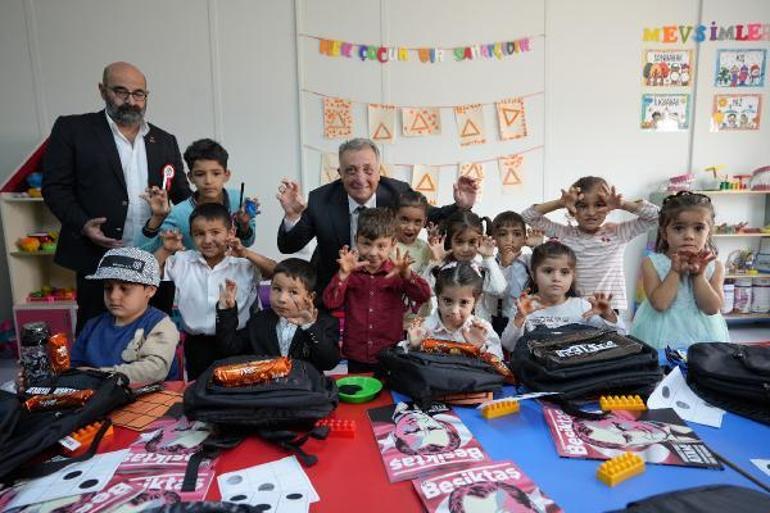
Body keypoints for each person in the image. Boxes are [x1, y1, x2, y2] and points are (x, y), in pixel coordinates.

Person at [42, 61, 190, 333]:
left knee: (156, 333)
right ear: (102, 90)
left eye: (139, 94)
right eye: (121, 92)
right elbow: (54, 187)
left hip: (154, 257)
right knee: (97, 335)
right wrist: (84, 224)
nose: (131, 101)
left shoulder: (164, 139)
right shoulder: (73, 129)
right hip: (97, 255)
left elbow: (182, 196)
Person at [276, 137, 478, 295]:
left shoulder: (396, 193)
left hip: (385, 291)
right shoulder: (321, 199)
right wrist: (293, 216)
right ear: (340, 173)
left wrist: (460, 207)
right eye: (351, 171)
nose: (360, 179)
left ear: (379, 171)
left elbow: (431, 217)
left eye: (367, 170)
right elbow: (288, 246)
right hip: (334, 290)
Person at [155, 202, 275, 379]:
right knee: (201, 394)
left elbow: (277, 272)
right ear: (191, 236)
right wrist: (165, 250)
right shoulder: (181, 261)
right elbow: (145, 274)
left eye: (215, 232)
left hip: (239, 342)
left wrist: (247, 253)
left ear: (231, 233)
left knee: (240, 395)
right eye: (199, 234)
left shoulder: (244, 262)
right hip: (198, 345)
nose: (207, 240)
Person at [521, 176, 659, 313]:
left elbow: (657, 216)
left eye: (599, 205)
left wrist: (622, 204)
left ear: (608, 207)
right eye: (582, 206)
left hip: (608, 307)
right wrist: (560, 202)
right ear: (572, 209)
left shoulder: (617, 233)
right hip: (573, 306)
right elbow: (528, 216)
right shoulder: (565, 234)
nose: (591, 212)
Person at [322, 208, 431, 373]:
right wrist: (342, 275)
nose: (373, 253)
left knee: (390, 396)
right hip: (356, 354)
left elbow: (423, 295)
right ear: (356, 240)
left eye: (381, 246)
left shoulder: (398, 272)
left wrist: (407, 274)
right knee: (358, 394)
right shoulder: (349, 273)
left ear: (393, 244)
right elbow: (330, 303)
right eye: (366, 243)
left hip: (389, 352)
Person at [630, 192, 728, 349]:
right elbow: (660, 304)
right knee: (662, 370)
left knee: (700, 369)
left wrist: (698, 275)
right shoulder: (652, 263)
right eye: (679, 228)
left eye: (698, 228)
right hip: (659, 334)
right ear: (664, 233)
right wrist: (674, 271)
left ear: (708, 232)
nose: (689, 235)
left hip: (702, 336)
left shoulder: (715, 266)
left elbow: (712, 308)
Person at [70, 247, 179, 384]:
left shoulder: (161, 325)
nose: (114, 296)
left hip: (149, 401)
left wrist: (98, 376)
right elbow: (74, 366)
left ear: (150, 290)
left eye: (125, 289)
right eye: (108, 288)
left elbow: (154, 369)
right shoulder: (92, 325)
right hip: (98, 398)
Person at [216, 258, 340, 372]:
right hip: (268, 391)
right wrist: (226, 310)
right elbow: (230, 349)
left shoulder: (325, 322)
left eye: (293, 292)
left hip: (305, 392)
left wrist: (310, 326)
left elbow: (329, 363)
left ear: (310, 297)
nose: (282, 299)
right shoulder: (259, 321)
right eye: (277, 289)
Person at [136, 138, 256, 252]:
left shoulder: (238, 199)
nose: (208, 181)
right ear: (190, 177)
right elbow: (141, 252)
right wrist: (157, 218)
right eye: (200, 174)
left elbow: (248, 242)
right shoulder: (178, 214)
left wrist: (244, 225)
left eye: (216, 173)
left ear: (226, 175)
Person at [501, 241, 622, 351]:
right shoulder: (524, 307)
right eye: (548, 271)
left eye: (564, 272)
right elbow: (509, 346)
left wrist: (608, 315)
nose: (556, 278)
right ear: (533, 275)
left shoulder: (583, 307)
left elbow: (621, 336)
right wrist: (520, 318)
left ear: (573, 276)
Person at [402, 262, 503, 358]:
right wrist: (415, 346)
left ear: (476, 301)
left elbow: (499, 365)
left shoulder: (483, 330)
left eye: (464, 302)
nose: (454, 310)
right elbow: (408, 366)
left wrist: (481, 348)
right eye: (447, 300)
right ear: (437, 296)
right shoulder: (423, 328)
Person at [426, 210, 507, 322]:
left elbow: (499, 290)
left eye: (472, 242)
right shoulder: (441, 268)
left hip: (477, 329)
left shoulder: (482, 268)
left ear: (480, 241)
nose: (465, 249)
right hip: (445, 328)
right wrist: (435, 262)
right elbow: (425, 291)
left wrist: (488, 257)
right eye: (459, 242)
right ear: (450, 241)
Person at [486, 211, 542, 336]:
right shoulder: (490, 262)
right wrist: (504, 266)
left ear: (524, 239)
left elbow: (543, 275)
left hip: (528, 316)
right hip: (500, 320)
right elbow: (497, 292)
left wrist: (536, 247)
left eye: (516, 234)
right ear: (494, 239)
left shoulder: (528, 259)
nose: (509, 239)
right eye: (502, 234)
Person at [392, 190, 433, 276]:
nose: (410, 228)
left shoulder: (426, 249)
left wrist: (437, 259)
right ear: (393, 217)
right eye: (404, 220)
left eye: (417, 221)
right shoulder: (384, 246)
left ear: (424, 222)